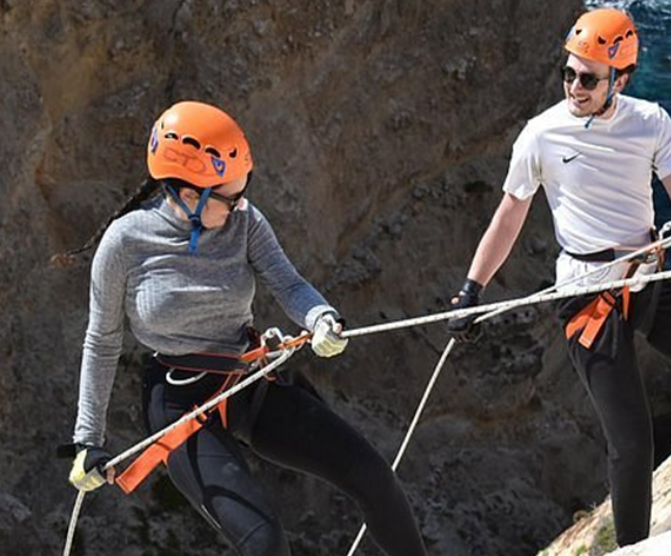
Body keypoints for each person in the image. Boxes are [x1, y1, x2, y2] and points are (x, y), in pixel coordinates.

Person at [447, 9, 671, 547]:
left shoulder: (651, 122)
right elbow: (509, 214)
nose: (575, 86)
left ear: (620, 79)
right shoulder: (541, 136)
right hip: (587, 296)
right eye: (569, 73)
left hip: (647, 275)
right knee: (632, 442)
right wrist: (471, 291)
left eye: (589, 77)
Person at [61, 101, 427, 556]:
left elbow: (289, 283)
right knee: (265, 542)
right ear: (186, 193)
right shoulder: (125, 244)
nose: (238, 205)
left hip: (248, 379)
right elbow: (101, 341)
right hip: (178, 402)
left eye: (241, 191)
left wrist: (321, 318)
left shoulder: (245, 222)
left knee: (373, 477)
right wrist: (87, 441)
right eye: (228, 196)